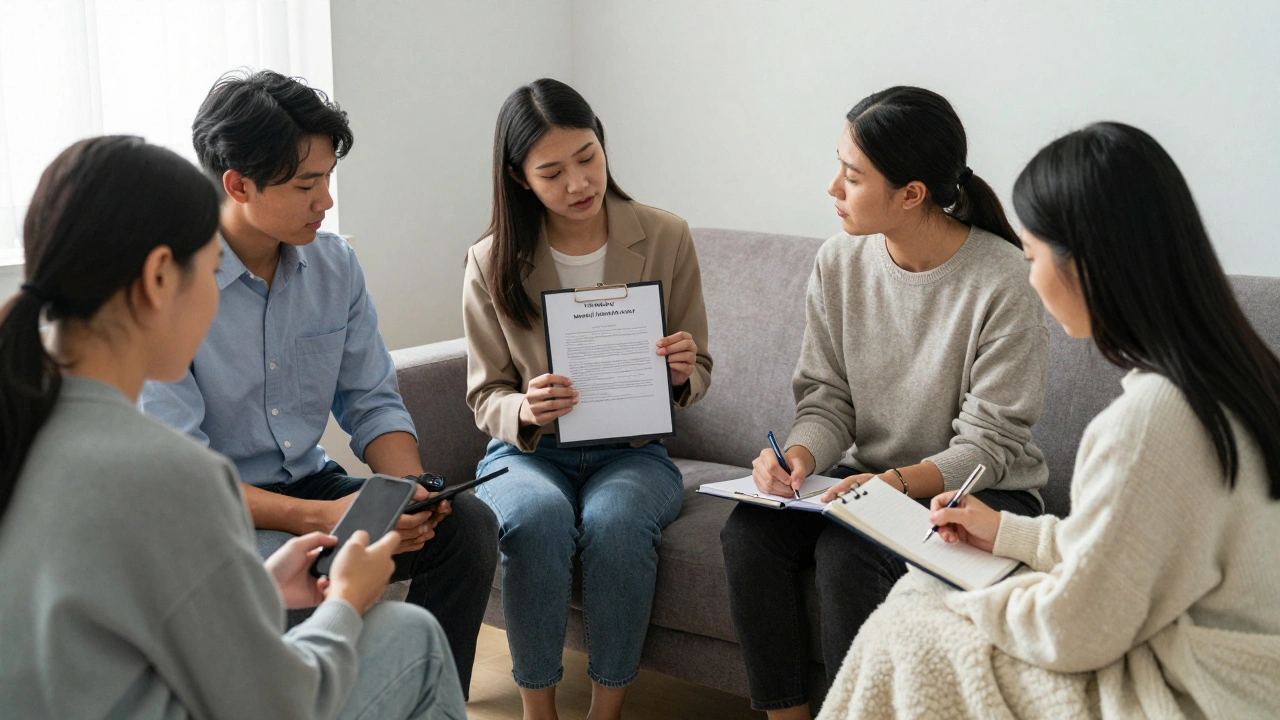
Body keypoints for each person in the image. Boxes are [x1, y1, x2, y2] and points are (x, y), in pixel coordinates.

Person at [818, 121, 1280, 720]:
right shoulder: (1235, 376)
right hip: (1248, 672)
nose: (1029, 276)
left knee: (914, 618)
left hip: (1196, 690)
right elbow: (1133, 545)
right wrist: (1010, 535)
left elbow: (1078, 628)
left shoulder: (1146, 422)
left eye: (1033, 256)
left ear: (1085, 265)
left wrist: (970, 604)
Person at [0, 135, 466, 719]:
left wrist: (259, 590)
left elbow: (101, 614)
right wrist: (346, 599)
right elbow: (278, 704)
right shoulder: (168, 472)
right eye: (209, 269)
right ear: (160, 278)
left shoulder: (24, 420)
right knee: (410, 637)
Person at [138, 69, 496, 696]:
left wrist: (405, 492)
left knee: (463, 526)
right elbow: (188, 478)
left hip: (312, 486)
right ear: (237, 183)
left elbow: (372, 399)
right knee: (298, 570)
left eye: (328, 178)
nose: (325, 200)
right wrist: (321, 518)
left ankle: (432, 702)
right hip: (222, 512)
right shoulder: (172, 284)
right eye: (307, 183)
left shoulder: (334, 265)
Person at [719, 86, 1049, 718]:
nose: (832, 189)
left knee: (848, 551)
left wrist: (892, 483)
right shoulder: (839, 262)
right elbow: (828, 397)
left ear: (912, 193)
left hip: (979, 486)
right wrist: (796, 457)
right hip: (872, 480)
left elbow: (992, 445)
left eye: (852, 176)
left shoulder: (1003, 280)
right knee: (751, 534)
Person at [463, 78, 712, 720]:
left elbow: (699, 366)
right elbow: (484, 392)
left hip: (631, 453)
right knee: (537, 518)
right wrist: (522, 407)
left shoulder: (665, 235)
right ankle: (537, 710)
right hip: (530, 455)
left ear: (603, 145)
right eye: (553, 172)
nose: (579, 183)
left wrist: (681, 370)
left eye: (588, 158)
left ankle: (607, 711)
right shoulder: (490, 259)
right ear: (519, 178)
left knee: (617, 523)